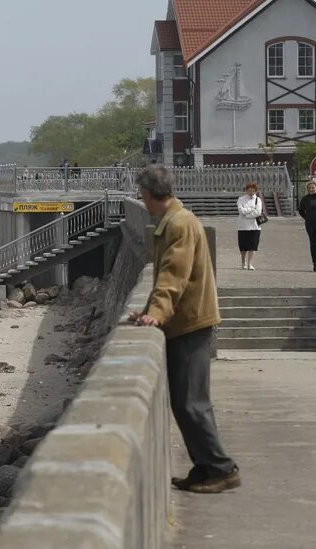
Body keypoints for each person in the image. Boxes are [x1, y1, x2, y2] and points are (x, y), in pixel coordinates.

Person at [128, 165, 240, 494]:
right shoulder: (176, 221)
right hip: (185, 321)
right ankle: (204, 468)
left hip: (191, 322)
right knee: (184, 401)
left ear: (148, 194)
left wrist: (157, 314)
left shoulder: (179, 224)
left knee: (192, 402)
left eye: (142, 194)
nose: (141, 199)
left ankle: (222, 468)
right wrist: (149, 312)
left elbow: (173, 276)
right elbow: (167, 277)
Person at [236, 182, 264, 271]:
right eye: (249, 190)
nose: (251, 192)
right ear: (246, 190)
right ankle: (243, 262)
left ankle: (250, 263)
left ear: (256, 191)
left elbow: (258, 212)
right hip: (243, 226)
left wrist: (247, 215)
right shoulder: (241, 199)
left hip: (254, 226)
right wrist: (251, 209)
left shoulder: (258, 200)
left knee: (253, 246)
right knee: (243, 246)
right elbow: (241, 211)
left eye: (253, 191)